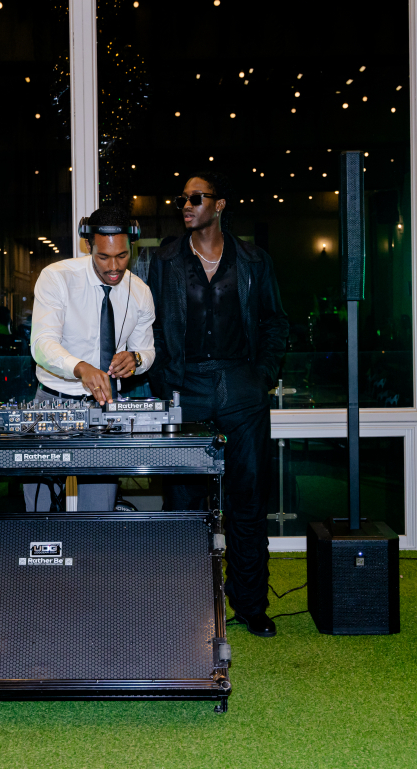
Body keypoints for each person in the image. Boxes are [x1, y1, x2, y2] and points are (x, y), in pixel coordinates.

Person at [147, 171, 289, 638]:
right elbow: (152, 329)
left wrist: (260, 378)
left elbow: (274, 324)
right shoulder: (164, 259)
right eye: (182, 198)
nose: (185, 205)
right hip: (186, 389)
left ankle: (250, 605)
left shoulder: (254, 259)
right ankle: (189, 606)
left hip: (240, 387)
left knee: (247, 502)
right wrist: (164, 380)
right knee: (186, 504)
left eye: (195, 198)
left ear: (220, 204)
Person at [29, 202, 156, 510]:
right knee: (39, 516)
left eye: (122, 255)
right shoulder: (57, 277)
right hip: (52, 403)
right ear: (88, 245)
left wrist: (136, 359)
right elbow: (42, 344)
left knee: (98, 516)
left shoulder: (140, 292)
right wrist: (80, 367)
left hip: (105, 412)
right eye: (104, 256)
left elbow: (148, 350)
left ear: (131, 245)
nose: (114, 266)